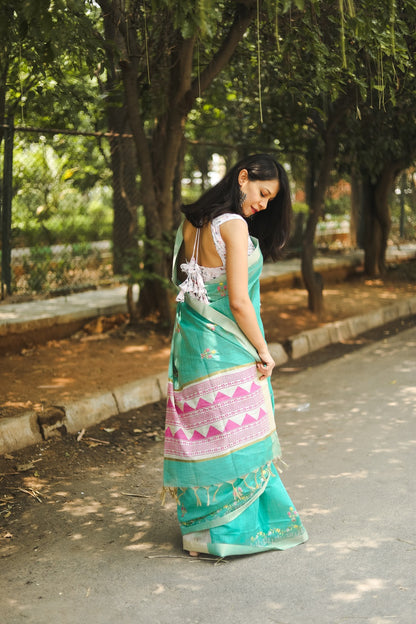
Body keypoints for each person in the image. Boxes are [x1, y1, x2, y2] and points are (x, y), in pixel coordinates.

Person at [163, 153, 308, 557]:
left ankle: (198, 538)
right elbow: (241, 302)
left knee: (204, 435)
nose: (262, 204)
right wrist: (264, 351)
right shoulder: (234, 226)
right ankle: (232, 535)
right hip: (228, 345)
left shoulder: (191, 223)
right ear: (242, 178)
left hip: (193, 344)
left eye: (269, 200)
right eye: (262, 193)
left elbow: (189, 286)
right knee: (237, 438)